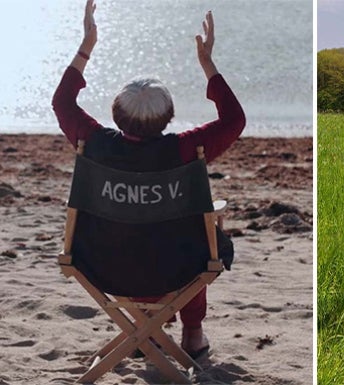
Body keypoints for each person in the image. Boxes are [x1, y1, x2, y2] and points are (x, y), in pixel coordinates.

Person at [52, 0, 245, 357]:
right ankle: (192, 334)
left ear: (116, 113)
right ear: (169, 115)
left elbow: (62, 102)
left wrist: (87, 45)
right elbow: (234, 120)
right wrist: (208, 64)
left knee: (156, 236)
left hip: (102, 265)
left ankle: (144, 329)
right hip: (176, 270)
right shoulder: (188, 149)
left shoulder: (93, 142)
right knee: (197, 237)